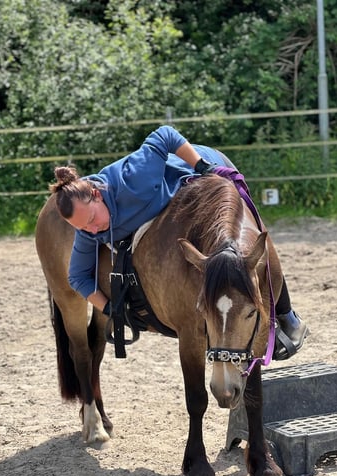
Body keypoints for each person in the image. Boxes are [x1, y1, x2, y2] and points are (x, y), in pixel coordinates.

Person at [47, 125, 309, 360]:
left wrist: (201, 166)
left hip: (197, 173)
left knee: (251, 232)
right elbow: (78, 277)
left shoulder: (134, 179)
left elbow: (165, 135)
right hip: (166, 202)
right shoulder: (89, 228)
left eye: (92, 219)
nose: (93, 229)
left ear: (96, 195)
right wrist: (110, 308)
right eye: (84, 227)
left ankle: (287, 316)